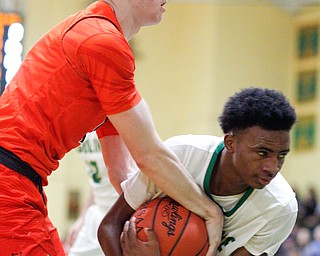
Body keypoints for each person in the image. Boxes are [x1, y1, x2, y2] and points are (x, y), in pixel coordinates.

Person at [0, 1, 223, 255]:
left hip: (18, 179)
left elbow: (120, 174)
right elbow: (150, 155)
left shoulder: (97, 34)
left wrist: (151, 221)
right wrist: (209, 211)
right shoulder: (103, 42)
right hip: (9, 179)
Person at [98, 87, 298, 256]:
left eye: (281, 155)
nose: (272, 167)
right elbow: (109, 226)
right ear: (230, 142)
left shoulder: (281, 208)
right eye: (262, 153)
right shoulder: (180, 155)